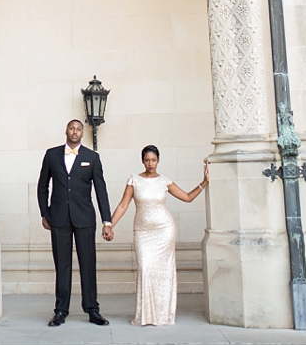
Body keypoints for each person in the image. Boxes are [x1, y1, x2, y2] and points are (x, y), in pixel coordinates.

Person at [105, 145, 209, 326]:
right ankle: (146, 315)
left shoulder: (164, 181)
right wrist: (109, 225)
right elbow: (123, 205)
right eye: (147, 160)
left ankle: (162, 315)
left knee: (163, 273)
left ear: (158, 160)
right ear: (142, 160)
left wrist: (204, 182)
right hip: (143, 232)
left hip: (164, 230)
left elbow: (187, 197)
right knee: (145, 268)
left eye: (153, 160)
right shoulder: (134, 180)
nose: (150, 163)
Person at [37, 119, 113, 327]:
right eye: (72, 128)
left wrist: (107, 221)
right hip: (58, 218)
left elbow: (101, 191)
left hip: (85, 218)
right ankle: (60, 310)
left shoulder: (92, 157)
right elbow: (42, 185)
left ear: (82, 133)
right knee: (62, 265)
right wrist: (45, 213)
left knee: (88, 264)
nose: (75, 132)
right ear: (66, 131)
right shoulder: (52, 155)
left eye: (79, 129)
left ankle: (92, 310)